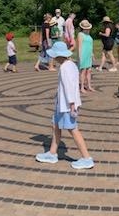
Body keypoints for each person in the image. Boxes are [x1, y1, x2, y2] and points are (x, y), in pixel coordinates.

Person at [35, 41, 94, 169]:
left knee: (73, 129)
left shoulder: (64, 67)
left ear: (58, 56)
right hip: (62, 103)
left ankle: (86, 157)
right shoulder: (71, 65)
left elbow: (69, 87)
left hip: (67, 105)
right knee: (55, 125)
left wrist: (72, 104)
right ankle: (52, 153)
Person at [77, 20, 95, 92]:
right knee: (83, 71)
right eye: (86, 28)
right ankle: (82, 87)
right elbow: (80, 46)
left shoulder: (89, 35)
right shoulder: (80, 34)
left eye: (88, 28)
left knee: (89, 70)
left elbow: (91, 46)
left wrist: (92, 54)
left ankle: (89, 86)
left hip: (88, 55)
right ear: (83, 28)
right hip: (83, 54)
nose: (87, 29)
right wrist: (79, 56)